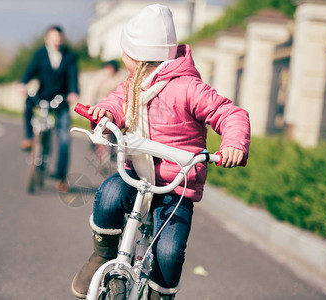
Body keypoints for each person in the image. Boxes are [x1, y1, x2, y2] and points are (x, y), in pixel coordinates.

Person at [71, 4, 250, 300]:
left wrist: (233, 144)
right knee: (109, 196)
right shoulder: (133, 84)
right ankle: (101, 256)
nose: (122, 57)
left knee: (168, 252)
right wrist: (105, 112)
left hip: (175, 185)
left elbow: (229, 113)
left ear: (140, 57)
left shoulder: (189, 88)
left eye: (125, 52)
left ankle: (159, 293)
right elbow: (117, 103)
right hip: (136, 174)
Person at [19, 25, 79, 192]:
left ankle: (60, 178)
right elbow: (30, 70)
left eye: (59, 38)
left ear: (62, 39)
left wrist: (74, 92)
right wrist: (22, 83)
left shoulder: (69, 56)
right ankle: (29, 137)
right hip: (43, 97)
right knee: (28, 103)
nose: (56, 41)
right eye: (53, 38)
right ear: (47, 39)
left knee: (64, 139)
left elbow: (73, 76)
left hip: (61, 101)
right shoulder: (39, 54)